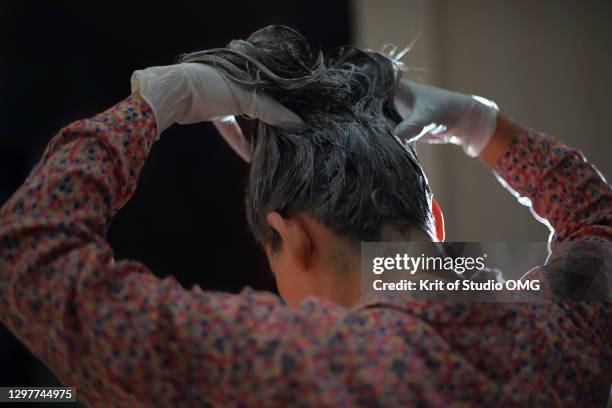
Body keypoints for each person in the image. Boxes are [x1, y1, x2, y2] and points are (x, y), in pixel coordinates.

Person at [0, 25, 609, 406]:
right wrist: (480, 121)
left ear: (293, 238)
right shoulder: (561, 322)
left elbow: (25, 257)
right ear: (437, 221)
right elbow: (594, 220)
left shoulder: (296, 365)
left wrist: (152, 105)